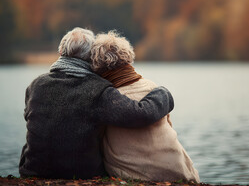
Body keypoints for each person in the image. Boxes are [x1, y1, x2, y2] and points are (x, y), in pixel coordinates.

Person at [19, 28, 174, 179]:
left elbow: (31, 119)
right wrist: (163, 93)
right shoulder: (98, 89)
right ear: (91, 57)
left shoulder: (36, 85)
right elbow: (141, 114)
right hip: (80, 174)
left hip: (32, 170)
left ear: (60, 52)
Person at [90, 31, 200, 182]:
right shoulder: (153, 88)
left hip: (136, 176)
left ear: (96, 66)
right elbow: (169, 126)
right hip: (180, 171)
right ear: (128, 57)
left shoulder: (106, 99)